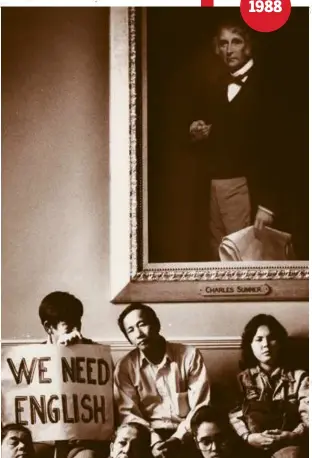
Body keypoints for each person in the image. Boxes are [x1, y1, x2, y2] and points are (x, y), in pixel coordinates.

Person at [189, 18, 282, 260]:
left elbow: (280, 149)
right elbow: (217, 132)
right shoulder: (218, 86)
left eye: (236, 42)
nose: (228, 50)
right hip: (213, 187)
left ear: (248, 46)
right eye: (223, 43)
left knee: (245, 261)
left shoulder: (269, 86)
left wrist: (268, 204)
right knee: (220, 258)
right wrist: (196, 131)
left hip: (245, 188)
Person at [114, 303, 210, 458]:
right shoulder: (125, 366)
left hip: (187, 434)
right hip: (147, 438)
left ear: (157, 324)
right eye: (130, 330)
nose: (138, 334)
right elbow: (128, 413)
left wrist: (177, 438)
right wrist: (155, 441)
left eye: (142, 324)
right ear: (128, 338)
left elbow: (200, 405)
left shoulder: (189, 355)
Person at [34, 291, 109, 458]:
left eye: (78, 324)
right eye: (68, 326)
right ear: (48, 327)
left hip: (81, 440)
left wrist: (81, 352)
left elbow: (105, 400)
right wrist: (58, 354)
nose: (76, 331)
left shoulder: (96, 353)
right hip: (43, 438)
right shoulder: (33, 357)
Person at [229, 314, 309, 458]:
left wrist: (292, 435)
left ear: (280, 343)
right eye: (259, 339)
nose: (265, 344)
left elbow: (309, 415)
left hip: (290, 446)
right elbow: (234, 415)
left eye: (271, 338)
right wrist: (248, 437)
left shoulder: (300, 378)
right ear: (250, 345)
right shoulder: (241, 379)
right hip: (252, 446)